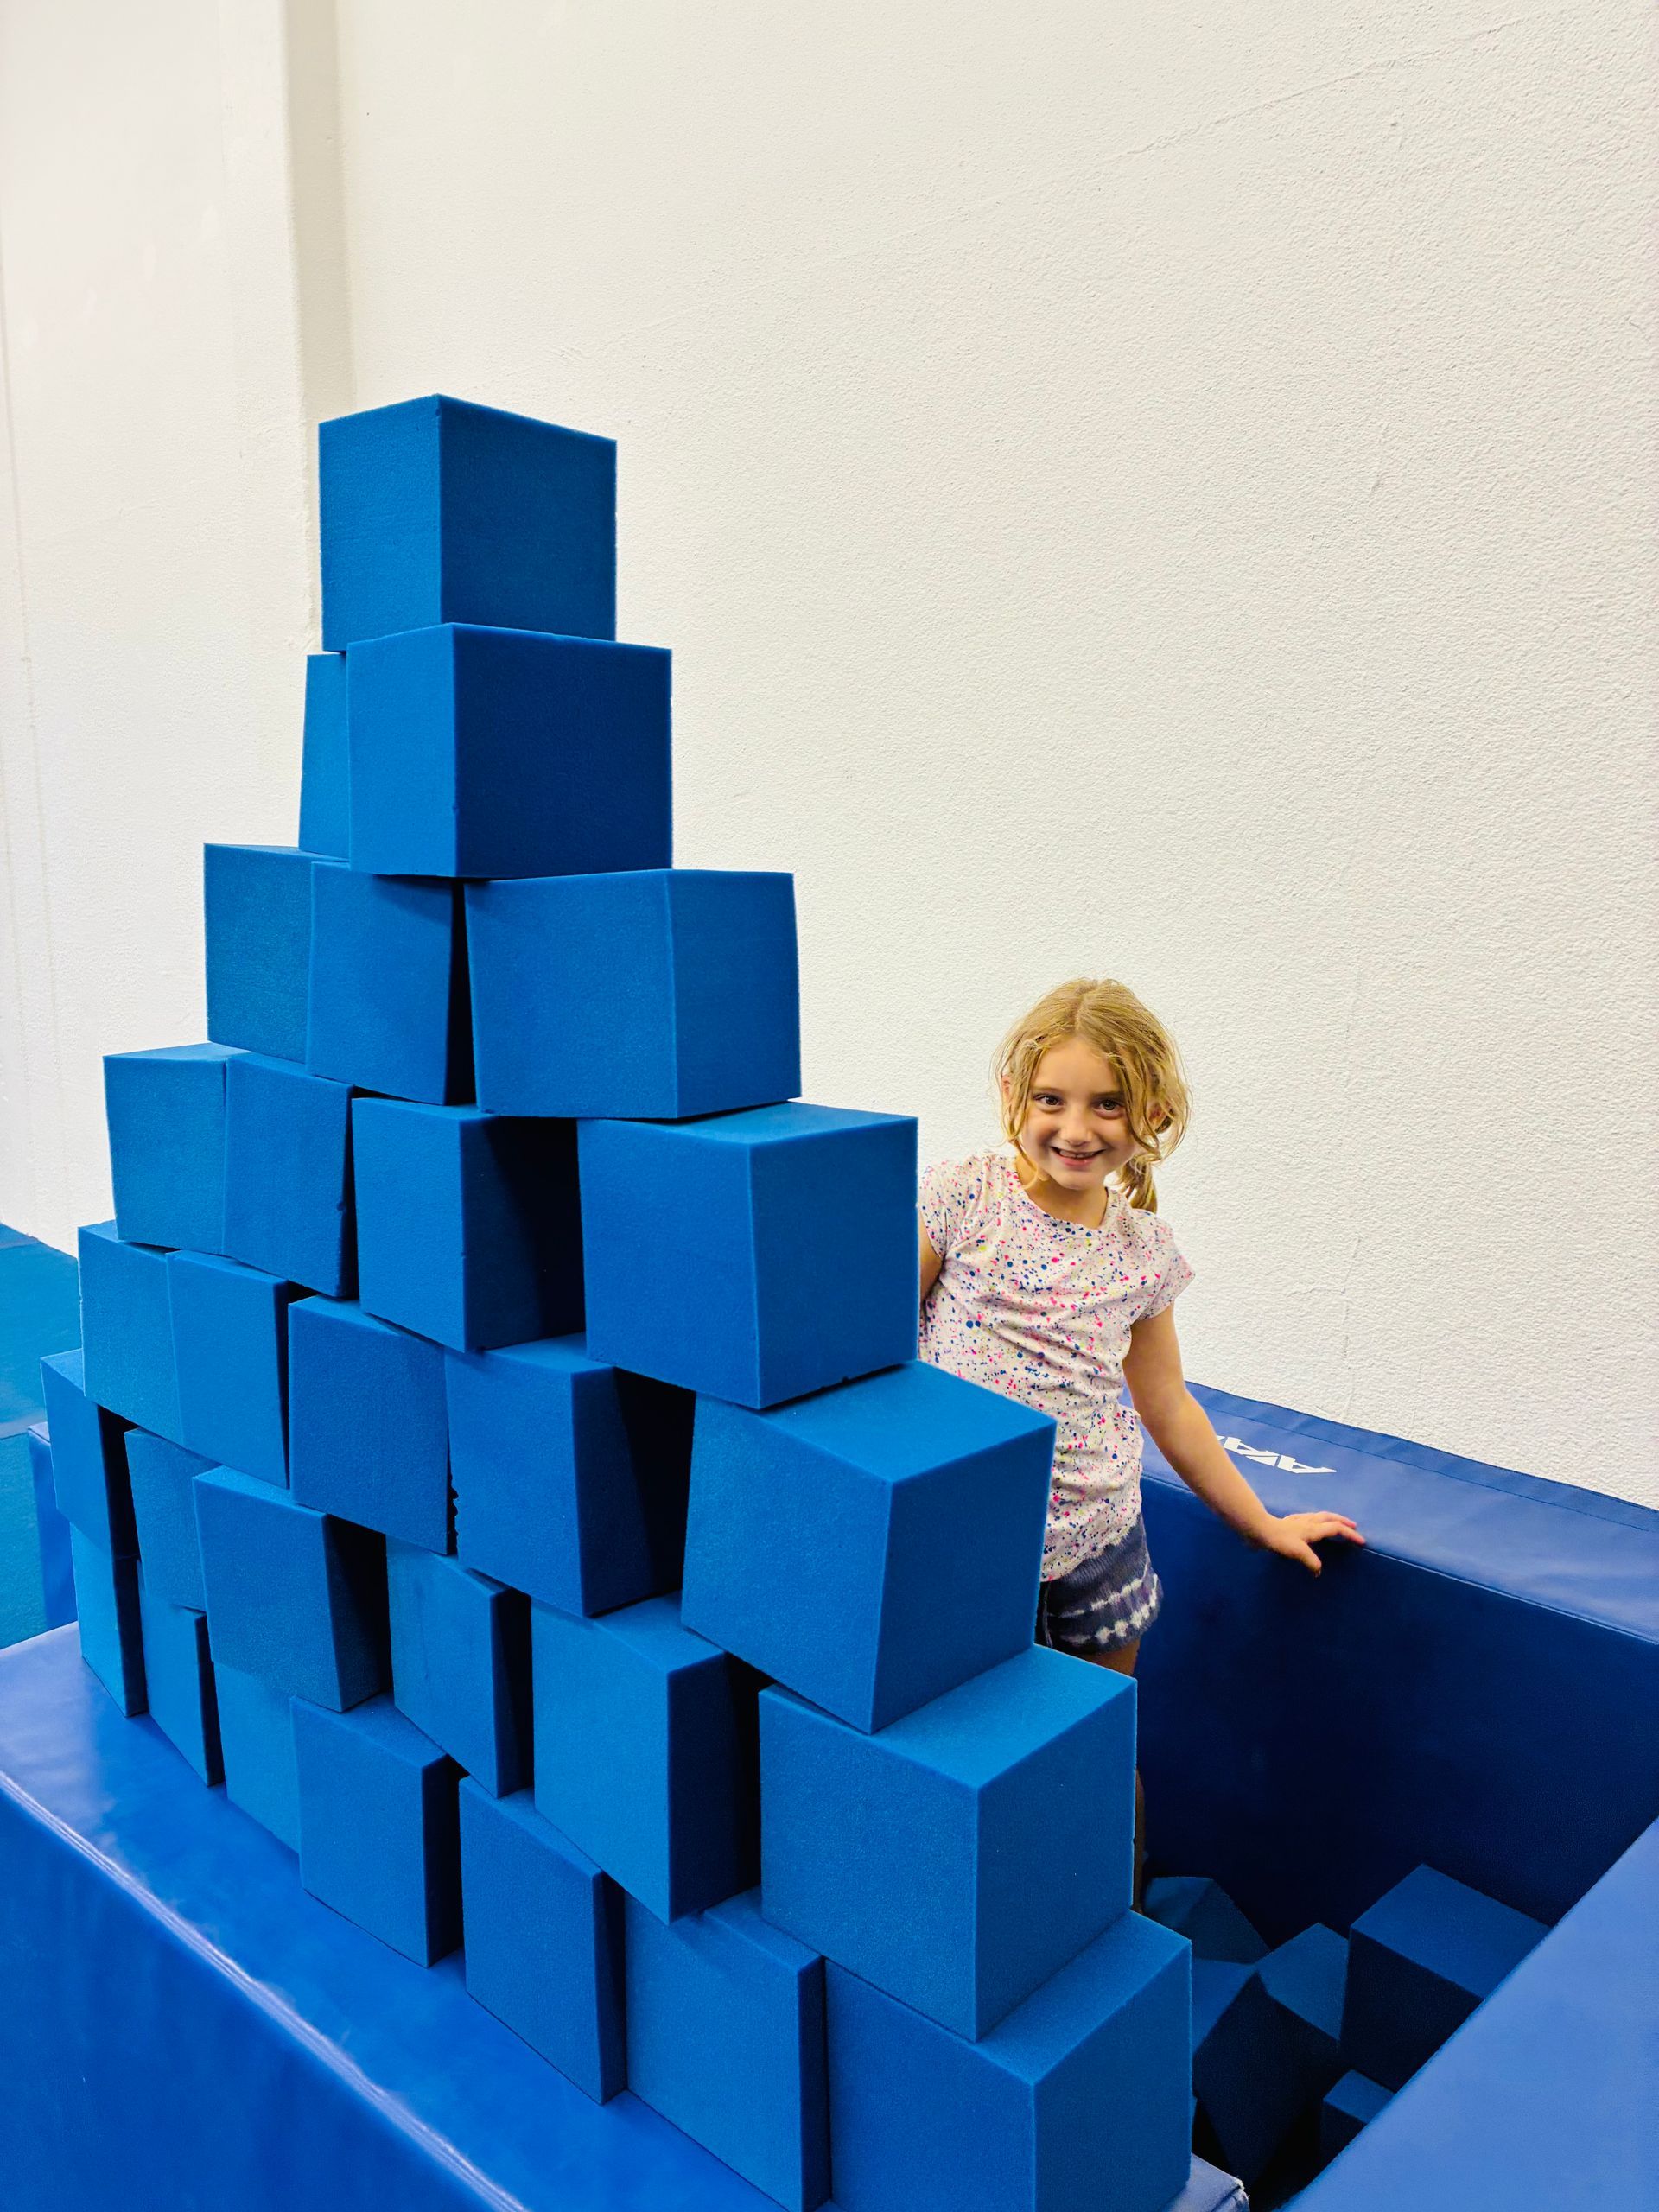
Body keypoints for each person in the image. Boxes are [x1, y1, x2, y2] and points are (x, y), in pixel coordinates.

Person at [918, 976, 1363, 1886]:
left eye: (1106, 1104)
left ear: (1149, 1113)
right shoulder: (963, 1199)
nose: (1076, 1127)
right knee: (970, 1744)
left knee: (1100, 1739)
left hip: (1097, 1537)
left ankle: (1112, 1908)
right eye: (1053, 1098)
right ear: (1015, 1097)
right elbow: (871, 1342)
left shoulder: (1140, 1249)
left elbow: (1168, 1405)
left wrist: (1262, 1521)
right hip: (968, 1537)